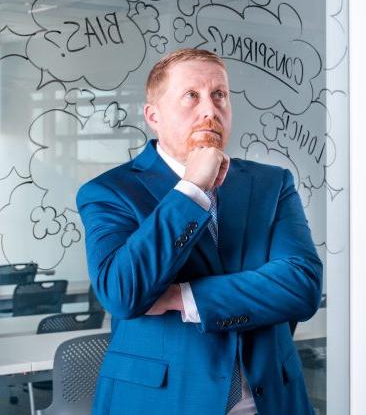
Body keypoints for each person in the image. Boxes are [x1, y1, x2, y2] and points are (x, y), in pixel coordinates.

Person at [76, 48, 323, 415]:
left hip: (271, 399)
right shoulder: (108, 192)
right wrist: (192, 189)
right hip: (162, 402)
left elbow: (301, 287)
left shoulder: (273, 183)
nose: (210, 110)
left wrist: (181, 298)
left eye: (219, 95)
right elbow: (123, 293)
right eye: (191, 96)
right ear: (153, 116)